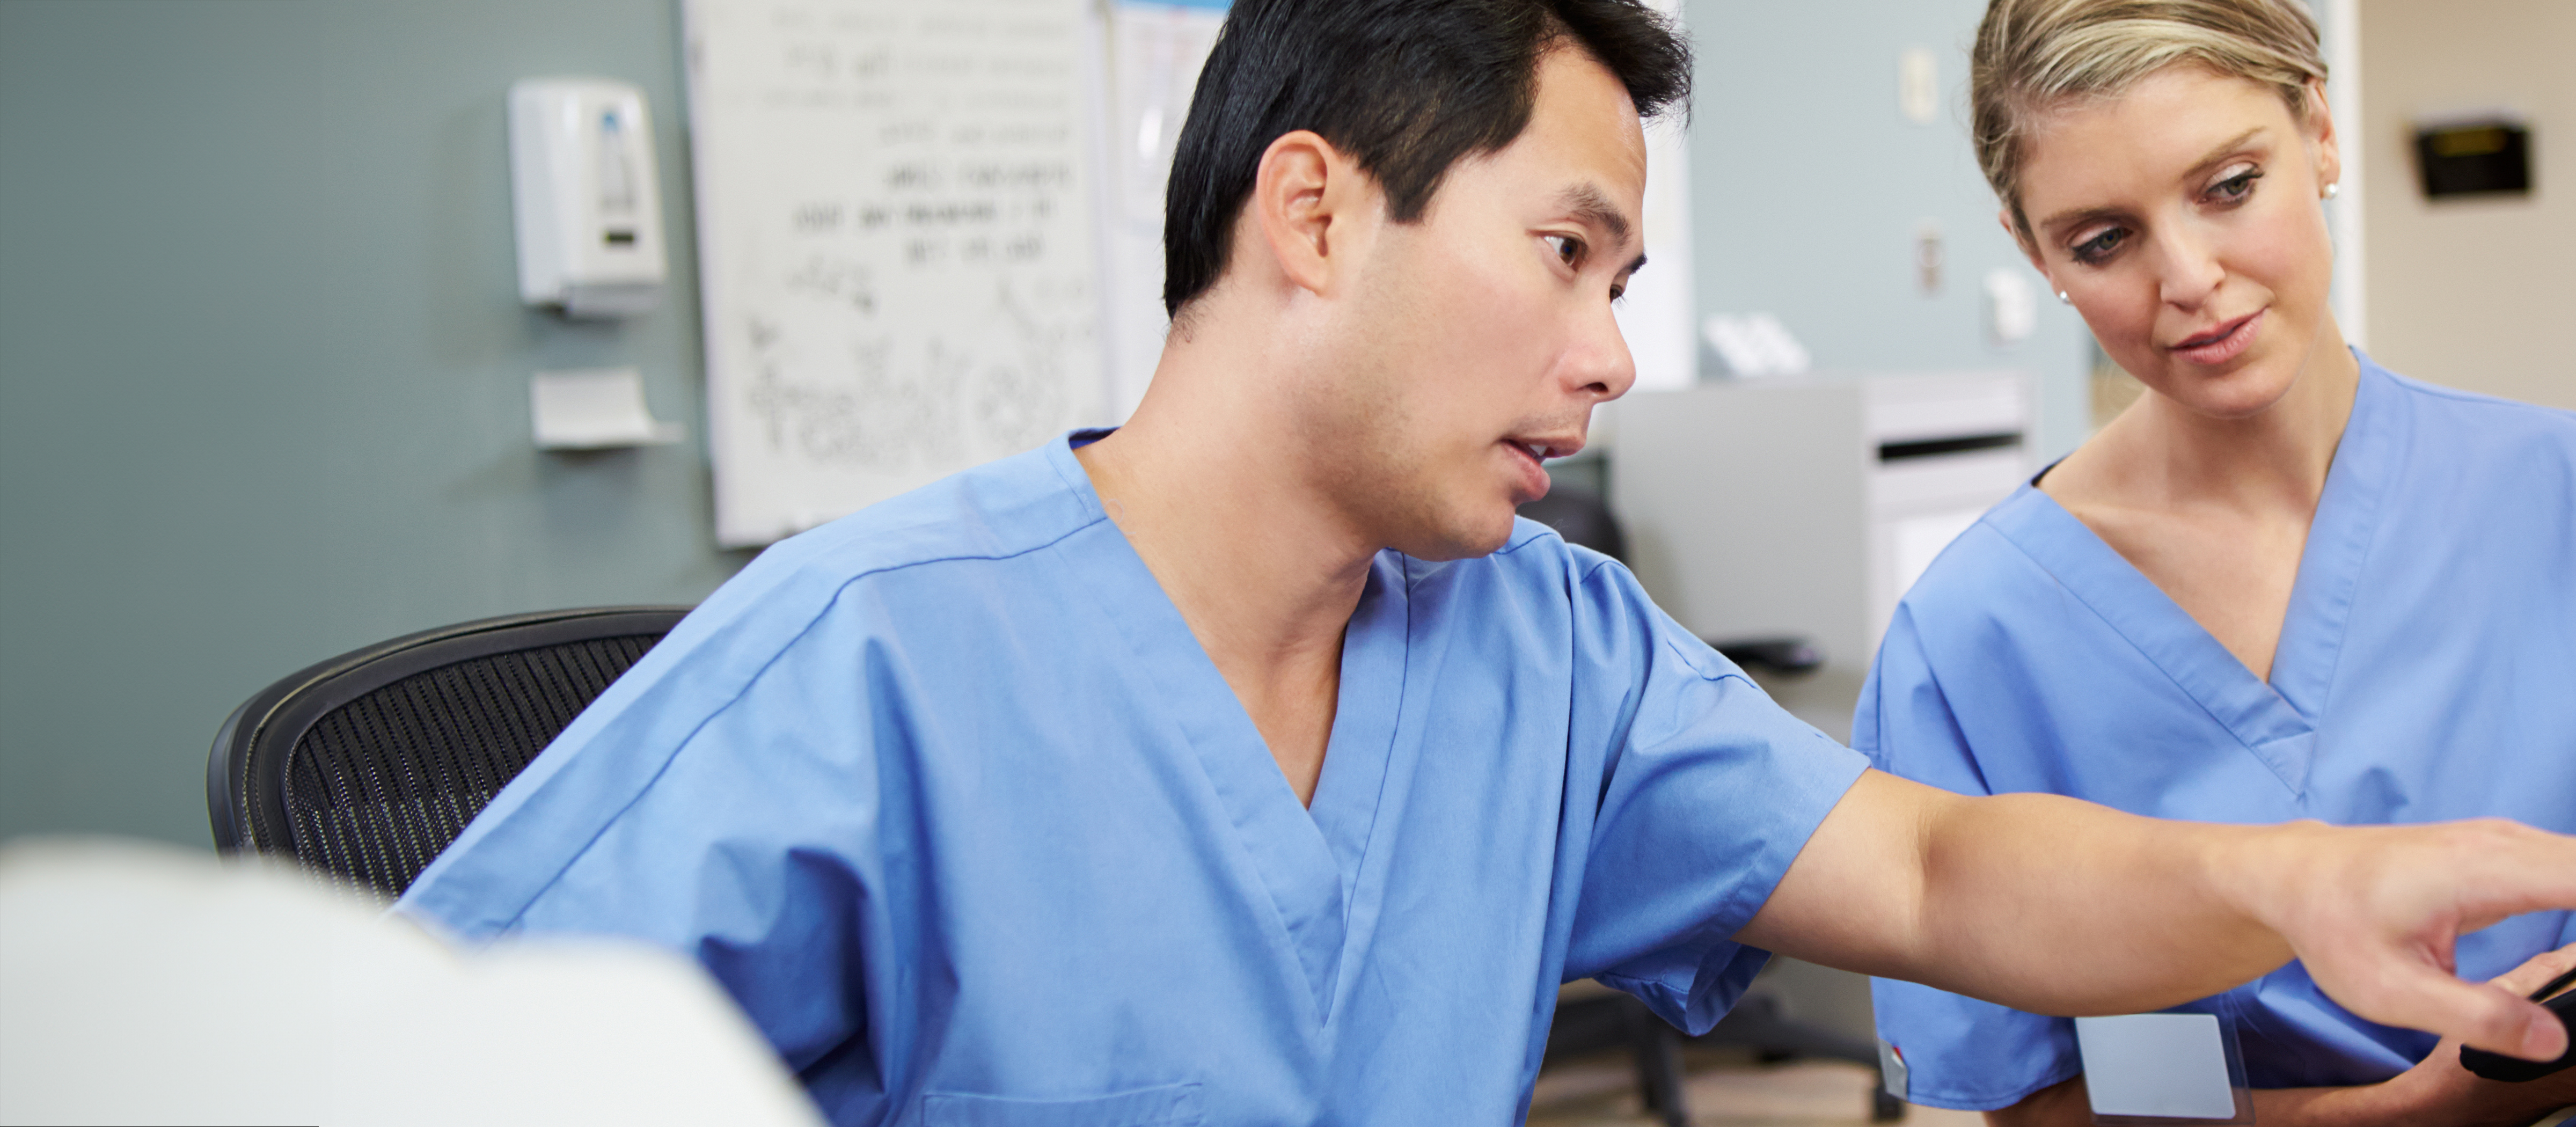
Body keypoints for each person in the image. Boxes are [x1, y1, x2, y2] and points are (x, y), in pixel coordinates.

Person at [400, 1, 2576, 1123]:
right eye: (1567, 255)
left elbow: (1927, 879)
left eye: (1628, 276)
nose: (1615, 353)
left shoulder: (1549, 655)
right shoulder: (869, 667)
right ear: (1320, 211)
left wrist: (2286, 888)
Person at [1857, 0, 2576, 1123]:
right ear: (2031, 248)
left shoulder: (2554, 495)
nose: (2187, 278)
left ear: (2322, 135)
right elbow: (2036, 1098)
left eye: (2229, 186)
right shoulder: (1975, 636)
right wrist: (2415, 1117)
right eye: (2104, 240)